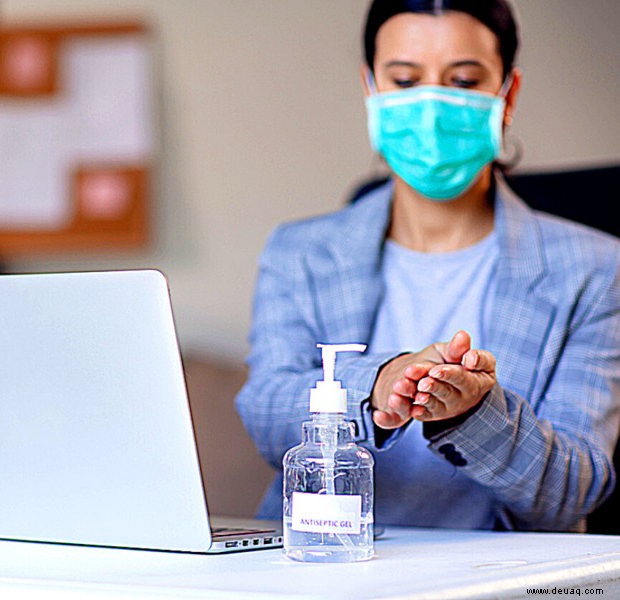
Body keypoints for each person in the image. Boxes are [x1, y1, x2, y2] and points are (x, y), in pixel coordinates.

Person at [235, 0, 620, 532]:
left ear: (506, 96)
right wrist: (377, 384)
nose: (432, 108)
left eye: (462, 81)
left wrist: (475, 413)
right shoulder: (299, 252)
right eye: (405, 80)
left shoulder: (596, 271)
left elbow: (574, 490)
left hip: (504, 580)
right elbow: (267, 415)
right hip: (320, 564)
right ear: (372, 90)